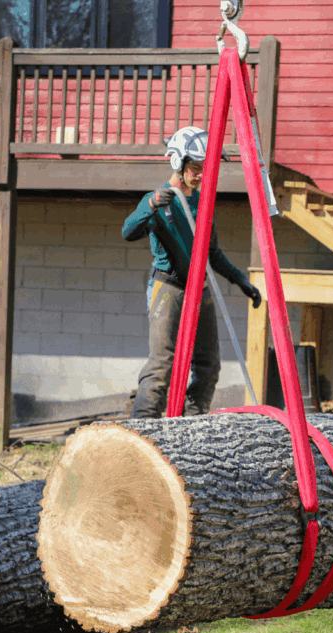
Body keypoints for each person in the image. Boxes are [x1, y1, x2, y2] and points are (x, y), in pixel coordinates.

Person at [123, 126, 261, 418]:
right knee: (163, 364)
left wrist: (240, 281)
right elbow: (128, 231)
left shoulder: (204, 202)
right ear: (178, 163)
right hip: (169, 286)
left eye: (205, 169)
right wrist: (150, 205)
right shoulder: (159, 198)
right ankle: (143, 426)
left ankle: (194, 423)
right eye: (196, 168)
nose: (201, 175)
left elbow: (212, 253)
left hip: (201, 287)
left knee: (208, 366)